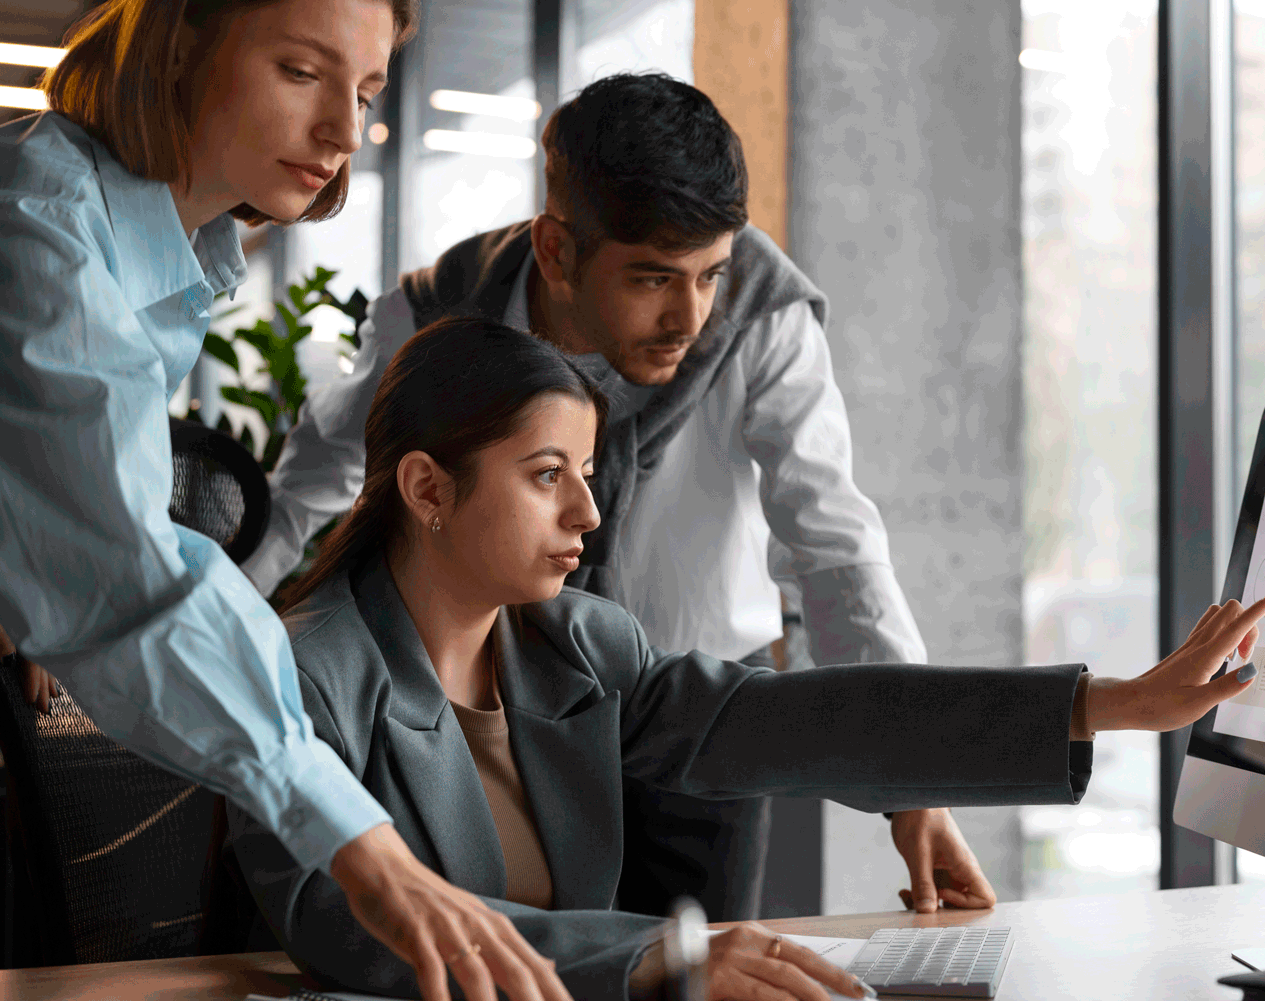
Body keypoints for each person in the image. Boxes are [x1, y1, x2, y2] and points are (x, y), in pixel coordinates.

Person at [227, 315, 1265, 1001]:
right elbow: (348, 921)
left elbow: (806, 721)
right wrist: (650, 954)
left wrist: (1106, 704)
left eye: (587, 473)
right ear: (427, 489)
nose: (588, 512)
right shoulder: (299, 674)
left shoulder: (578, 645)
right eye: (549, 474)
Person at [239, 70, 990, 922]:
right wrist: (204, 631)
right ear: (556, 250)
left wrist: (916, 781)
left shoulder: (765, 314)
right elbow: (314, 478)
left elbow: (835, 547)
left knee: (703, 977)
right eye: (653, 279)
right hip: (507, 714)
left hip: (697, 710)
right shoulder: (445, 312)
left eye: (710, 275)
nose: (692, 318)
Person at [0, 4, 571, 1001]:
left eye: (361, 92)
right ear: (178, 47)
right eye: (302, 72)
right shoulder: (39, 229)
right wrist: (364, 842)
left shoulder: (150, 244)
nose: (346, 133)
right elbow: (134, 576)